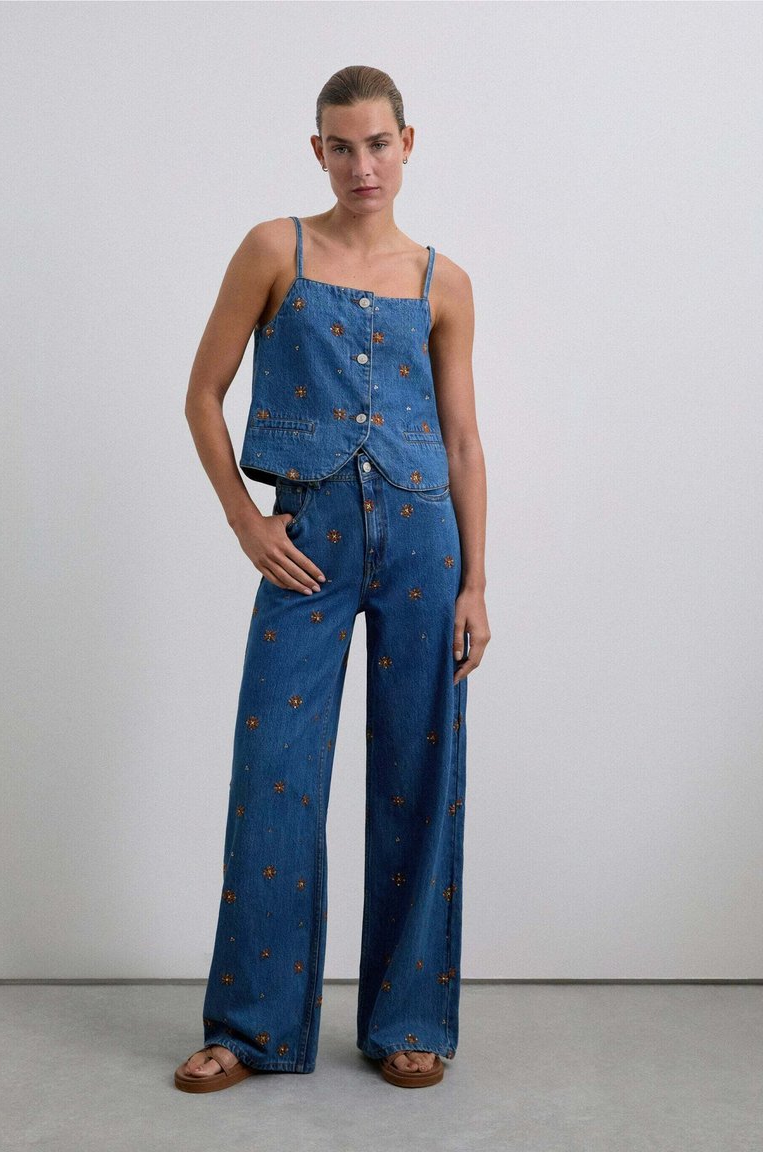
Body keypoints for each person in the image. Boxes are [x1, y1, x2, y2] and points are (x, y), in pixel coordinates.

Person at [175, 65, 489, 1092]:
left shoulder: (443, 281)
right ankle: (251, 1026)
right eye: (342, 147)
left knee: (418, 775)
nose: (363, 165)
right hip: (305, 547)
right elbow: (203, 393)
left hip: (423, 544)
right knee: (274, 770)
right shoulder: (277, 249)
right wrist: (244, 520)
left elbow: (461, 439)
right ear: (318, 151)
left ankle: (408, 1019)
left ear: (408, 143)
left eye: (378, 144)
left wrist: (476, 583)